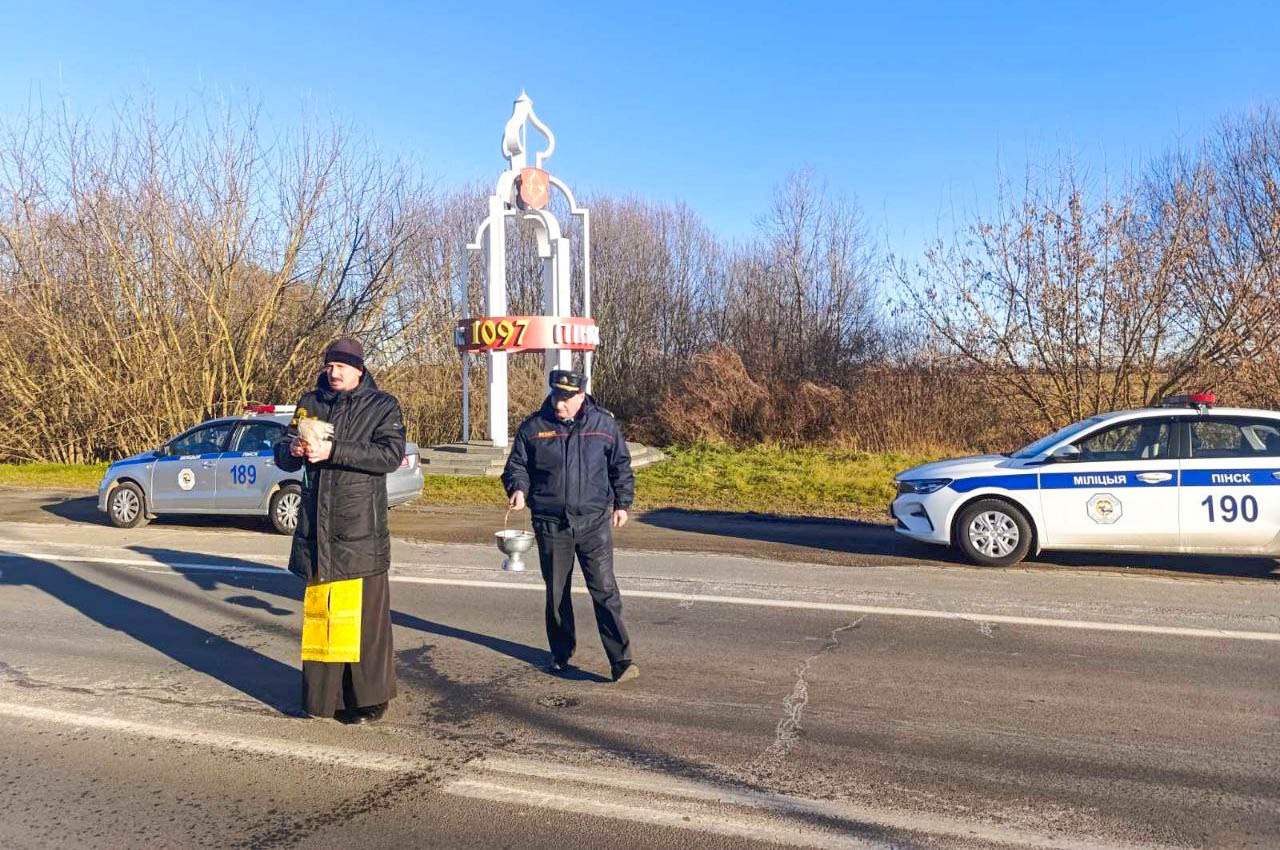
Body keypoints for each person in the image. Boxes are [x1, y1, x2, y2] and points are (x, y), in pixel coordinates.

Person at [273, 337, 407, 723]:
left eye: (342, 367)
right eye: (330, 366)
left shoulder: (382, 405)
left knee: (363, 622)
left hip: (359, 527)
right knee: (324, 615)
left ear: (359, 370)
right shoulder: (310, 402)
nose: (334, 373)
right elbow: (281, 450)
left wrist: (334, 451)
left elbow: (389, 455)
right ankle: (323, 698)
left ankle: (369, 700)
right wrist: (293, 450)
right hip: (318, 526)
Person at [502, 369, 638, 682]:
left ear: (581, 396)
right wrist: (518, 489)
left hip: (593, 522)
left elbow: (620, 465)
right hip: (551, 523)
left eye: (566, 397)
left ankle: (621, 662)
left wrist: (622, 503)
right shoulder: (534, 426)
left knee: (604, 591)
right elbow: (517, 466)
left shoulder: (603, 424)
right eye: (556, 395)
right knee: (557, 592)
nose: (559, 403)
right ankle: (561, 654)